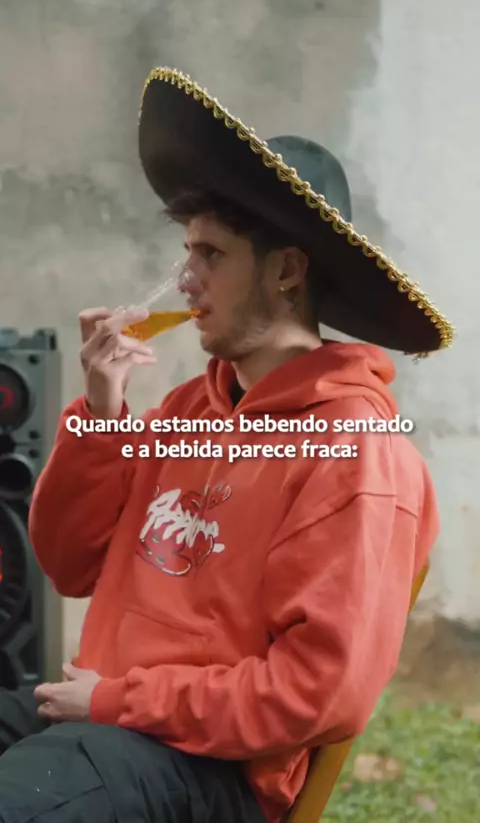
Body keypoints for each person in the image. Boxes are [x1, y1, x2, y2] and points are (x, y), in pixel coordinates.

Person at [0, 66, 453, 823]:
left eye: (211, 255)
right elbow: (67, 563)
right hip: (103, 723)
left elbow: (319, 694)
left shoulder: (358, 452)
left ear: (287, 271)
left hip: (216, 774)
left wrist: (117, 700)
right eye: (187, 252)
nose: (185, 279)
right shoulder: (186, 411)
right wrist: (104, 415)